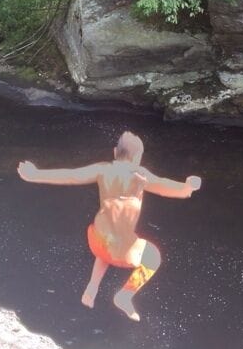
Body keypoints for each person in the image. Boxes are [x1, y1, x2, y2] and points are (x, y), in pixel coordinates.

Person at [17, 131, 202, 322]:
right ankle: (125, 296)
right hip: (120, 252)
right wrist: (187, 187)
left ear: (115, 152)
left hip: (97, 240)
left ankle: (92, 287)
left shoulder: (103, 169)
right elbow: (165, 187)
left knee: (108, 236)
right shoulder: (140, 175)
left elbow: (71, 175)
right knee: (152, 257)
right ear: (138, 158)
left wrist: (34, 175)